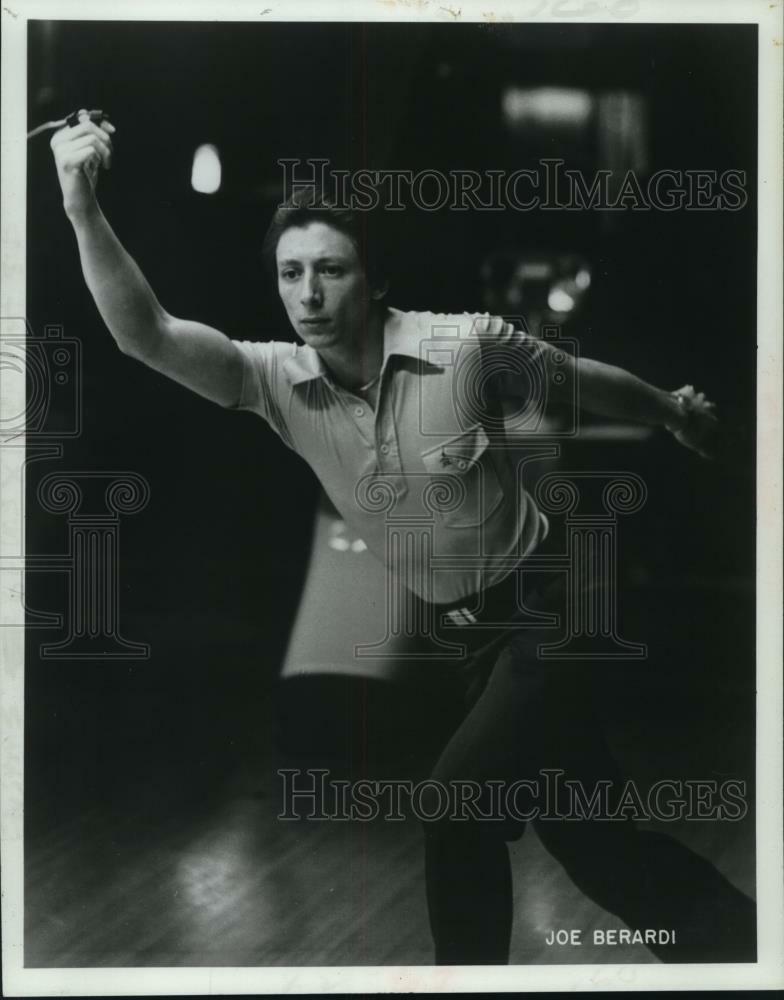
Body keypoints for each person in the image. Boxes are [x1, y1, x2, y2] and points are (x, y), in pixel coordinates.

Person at [49, 112, 754, 964]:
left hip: (552, 613)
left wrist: (675, 413)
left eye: (331, 271)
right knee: (600, 852)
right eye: (291, 274)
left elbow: (578, 384)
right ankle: (753, 947)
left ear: (373, 278)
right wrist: (79, 199)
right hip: (467, 645)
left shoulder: (463, 347)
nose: (309, 295)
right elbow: (146, 335)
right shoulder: (272, 380)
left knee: (453, 809)